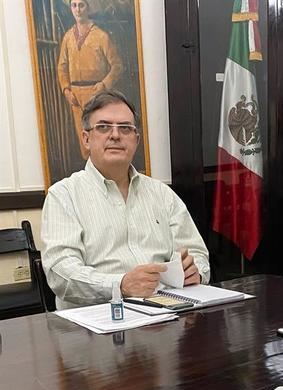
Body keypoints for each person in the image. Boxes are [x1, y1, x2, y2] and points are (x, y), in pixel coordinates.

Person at [41, 89, 210, 309]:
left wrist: (194, 271)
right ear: (86, 138)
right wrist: (119, 284)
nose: (115, 135)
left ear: (136, 140)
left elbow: (196, 253)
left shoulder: (162, 194)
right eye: (103, 127)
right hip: (95, 326)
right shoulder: (63, 196)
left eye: (125, 128)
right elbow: (61, 273)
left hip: (166, 316)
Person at [58, 0, 123, 159]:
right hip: (75, 97)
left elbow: (118, 66)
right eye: (74, 5)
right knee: (84, 142)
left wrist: (103, 85)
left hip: (96, 94)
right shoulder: (68, 37)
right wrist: (66, 90)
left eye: (82, 5)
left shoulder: (101, 36)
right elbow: (62, 67)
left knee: (100, 138)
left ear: (88, 7)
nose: (78, 10)